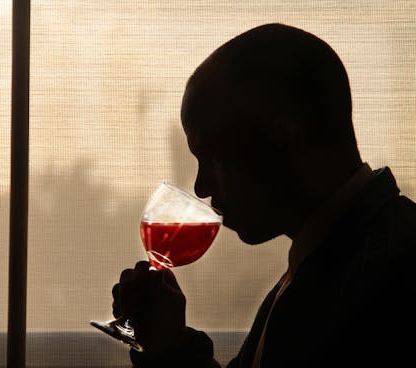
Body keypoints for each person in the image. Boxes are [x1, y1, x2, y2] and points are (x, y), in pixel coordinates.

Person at [111, 23, 416, 367]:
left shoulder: (391, 279)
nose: (201, 187)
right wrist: (168, 345)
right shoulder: (334, 258)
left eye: (213, 156)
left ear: (286, 133)